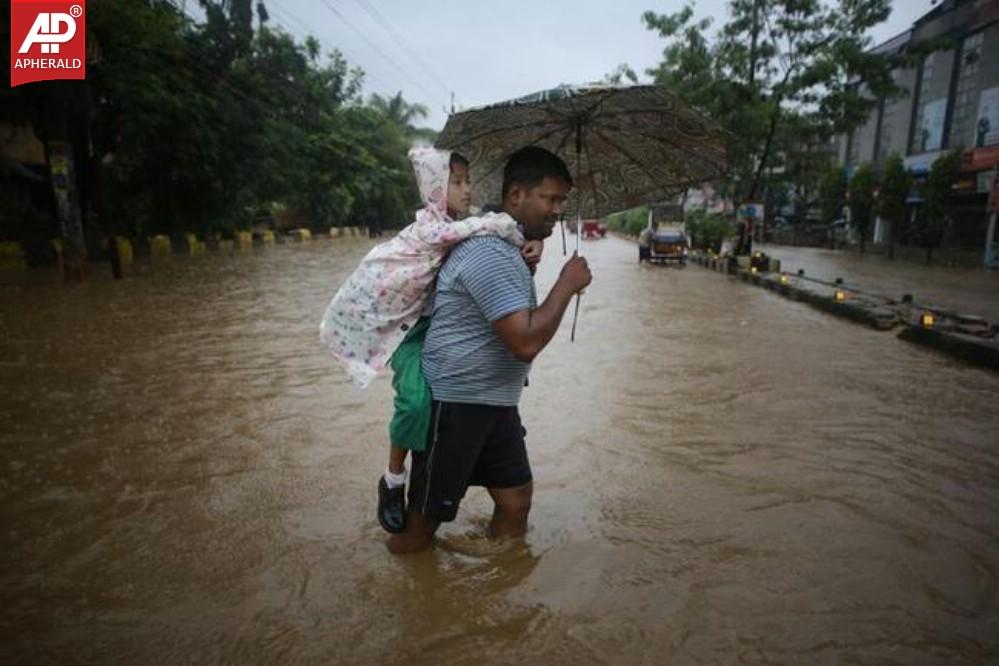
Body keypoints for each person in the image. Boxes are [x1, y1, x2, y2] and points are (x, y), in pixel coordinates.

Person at [319, 147, 543, 534]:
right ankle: (392, 480)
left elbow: (483, 254)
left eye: (468, 181)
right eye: (457, 182)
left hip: (434, 328)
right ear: (436, 190)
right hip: (408, 332)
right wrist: (507, 225)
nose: (468, 190)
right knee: (414, 401)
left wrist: (525, 247)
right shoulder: (431, 225)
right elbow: (470, 232)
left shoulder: (465, 227)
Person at [387, 146, 592, 554]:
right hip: (457, 404)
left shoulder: (507, 248)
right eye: (549, 199)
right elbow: (524, 342)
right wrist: (566, 285)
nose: (557, 210)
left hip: (494, 402)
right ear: (516, 195)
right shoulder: (490, 252)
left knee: (515, 502)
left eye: (561, 201)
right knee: (420, 525)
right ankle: (403, 600)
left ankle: (497, 586)